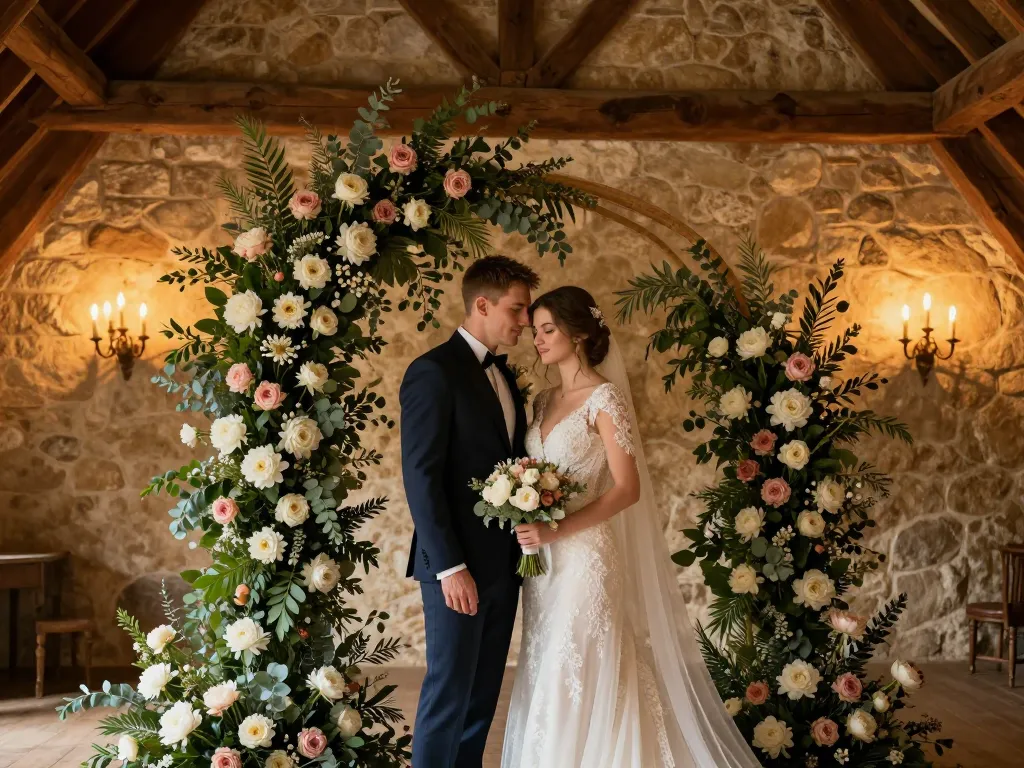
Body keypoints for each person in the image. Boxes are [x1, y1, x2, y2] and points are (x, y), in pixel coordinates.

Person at [502, 285, 762, 768]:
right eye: (534, 330)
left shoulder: (605, 398)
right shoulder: (540, 401)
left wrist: (558, 530)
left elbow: (626, 489)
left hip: (585, 560)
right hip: (544, 565)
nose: (536, 339)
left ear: (578, 333)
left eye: (547, 329)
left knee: (575, 666)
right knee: (545, 663)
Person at [399, 255, 538, 768]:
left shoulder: (504, 374)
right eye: (517, 310)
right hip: (455, 567)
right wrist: (451, 566)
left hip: (505, 565)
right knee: (448, 695)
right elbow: (421, 478)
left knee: (481, 699)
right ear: (482, 304)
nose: (525, 321)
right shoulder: (433, 372)